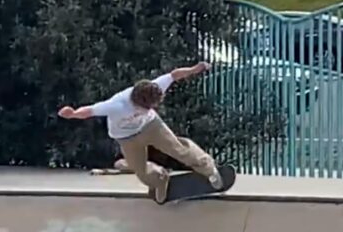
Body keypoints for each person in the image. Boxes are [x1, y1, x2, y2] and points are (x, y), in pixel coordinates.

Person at [57, 62, 222, 203]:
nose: (147, 109)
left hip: (151, 126)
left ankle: (208, 169)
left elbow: (174, 75)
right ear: (135, 102)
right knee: (142, 172)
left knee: (178, 148)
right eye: (144, 108)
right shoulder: (117, 105)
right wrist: (72, 114)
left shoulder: (154, 87)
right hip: (127, 138)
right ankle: (160, 179)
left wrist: (195, 69)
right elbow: (89, 111)